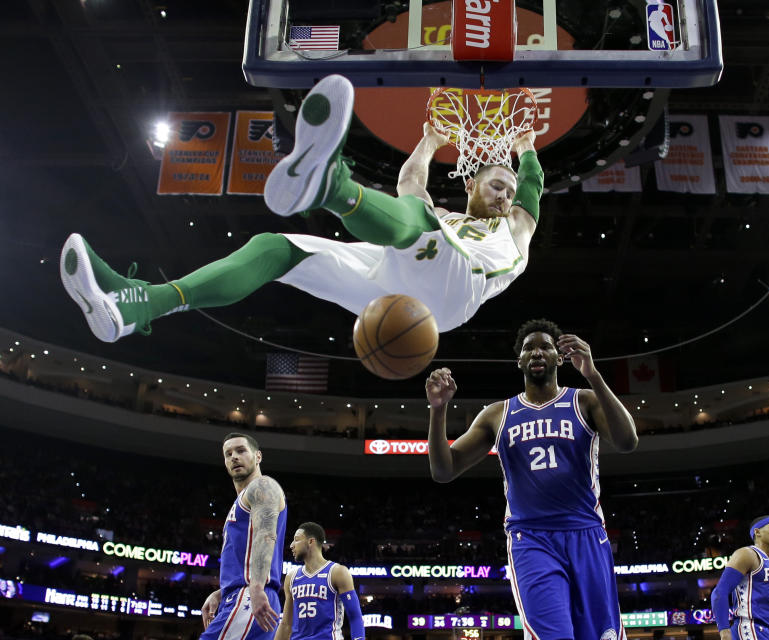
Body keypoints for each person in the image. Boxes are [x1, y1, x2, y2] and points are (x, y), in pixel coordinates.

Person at [60, 74, 542, 343]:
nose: (504, 195)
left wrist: (525, 152)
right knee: (276, 249)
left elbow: (531, 191)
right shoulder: (442, 216)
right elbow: (412, 182)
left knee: (419, 224)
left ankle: (329, 184)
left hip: (456, 293)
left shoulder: (514, 229)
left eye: (508, 190)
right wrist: (428, 140)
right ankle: (144, 303)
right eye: (497, 186)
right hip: (389, 276)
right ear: (472, 183)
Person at [424, 318, 639, 640]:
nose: (537, 352)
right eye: (529, 348)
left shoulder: (583, 400)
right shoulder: (498, 413)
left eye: (545, 347)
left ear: (559, 358)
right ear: (519, 361)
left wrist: (593, 374)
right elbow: (444, 470)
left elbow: (627, 441)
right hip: (532, 538)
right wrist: (438, 410)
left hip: (586, 532)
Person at [200, 434, 288, 640]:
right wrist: (222, 593)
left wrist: (255, 587)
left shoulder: (262, 486)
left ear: (258, 456)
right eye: (228, 454)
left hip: (248, 596)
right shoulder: (242, 501)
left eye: (241, 450)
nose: (234, 457)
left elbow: (266, 535)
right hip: (242, 595)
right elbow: (243, 558)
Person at [276, 521, 365, 640]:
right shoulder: (291, 577)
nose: (291, 545)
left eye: (296, 540)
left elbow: (355, 617)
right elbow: (286, 624)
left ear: (311, 541)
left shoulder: (337, 572)